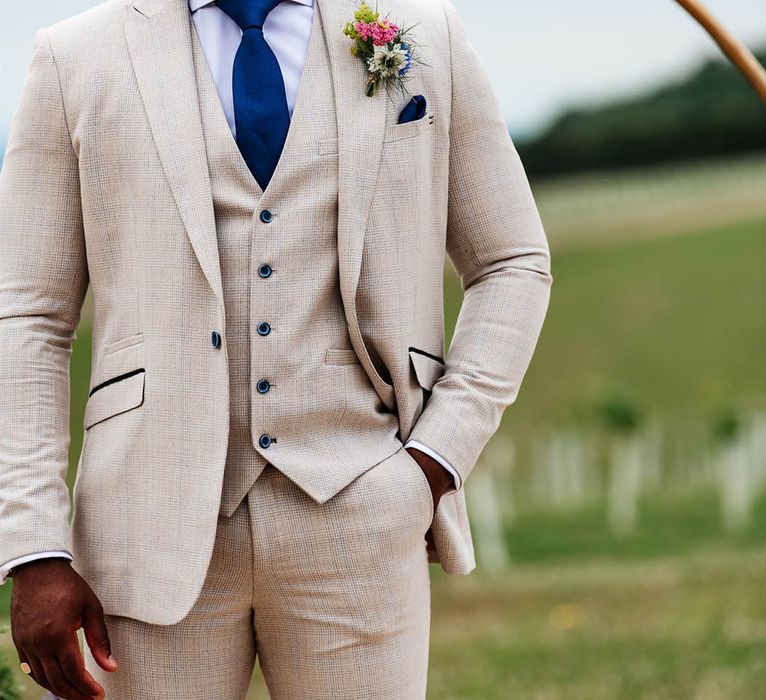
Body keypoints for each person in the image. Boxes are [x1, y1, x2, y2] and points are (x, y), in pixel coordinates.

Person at [0, 0, 552, 697]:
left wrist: (433, 464)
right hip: (141, 532)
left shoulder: (425, 32)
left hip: (362, 507)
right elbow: (28, 317)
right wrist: (35, 549)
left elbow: (513, 262)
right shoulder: (72, 57)